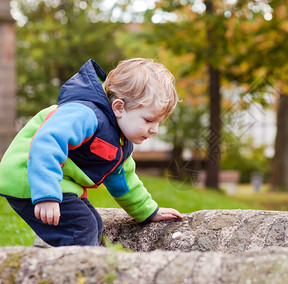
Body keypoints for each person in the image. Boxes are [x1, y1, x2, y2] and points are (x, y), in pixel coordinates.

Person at [0, 58, 183, 247]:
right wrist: (47, 194)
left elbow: (124, 183)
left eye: (159, 123)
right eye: (148, 120)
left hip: (58, 181)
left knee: (93, 224)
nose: (155, 130)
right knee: (79, 228)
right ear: (119, 108)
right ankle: (77, 273)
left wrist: (149, 211)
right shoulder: (84, 114)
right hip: (29, 174)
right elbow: (47, 142)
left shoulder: (120, 143)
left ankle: (65, 262)